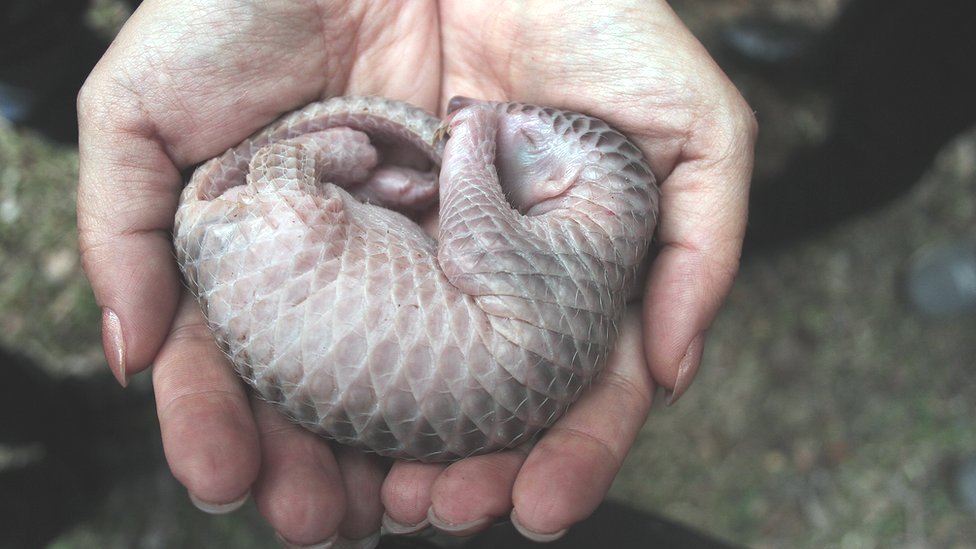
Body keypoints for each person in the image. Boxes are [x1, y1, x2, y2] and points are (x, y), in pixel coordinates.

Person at [75, 1, 756, 546]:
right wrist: (462, 141)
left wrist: (475, 132)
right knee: (350, 185)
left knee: (349, 180)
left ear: (566, 177)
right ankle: (311, 169)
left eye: (526, 138)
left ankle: (313, 167)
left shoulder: (559, 263)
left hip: (288, 255)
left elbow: (470, 223)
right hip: (288, 257)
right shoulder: (581, 288)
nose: (491, 123)